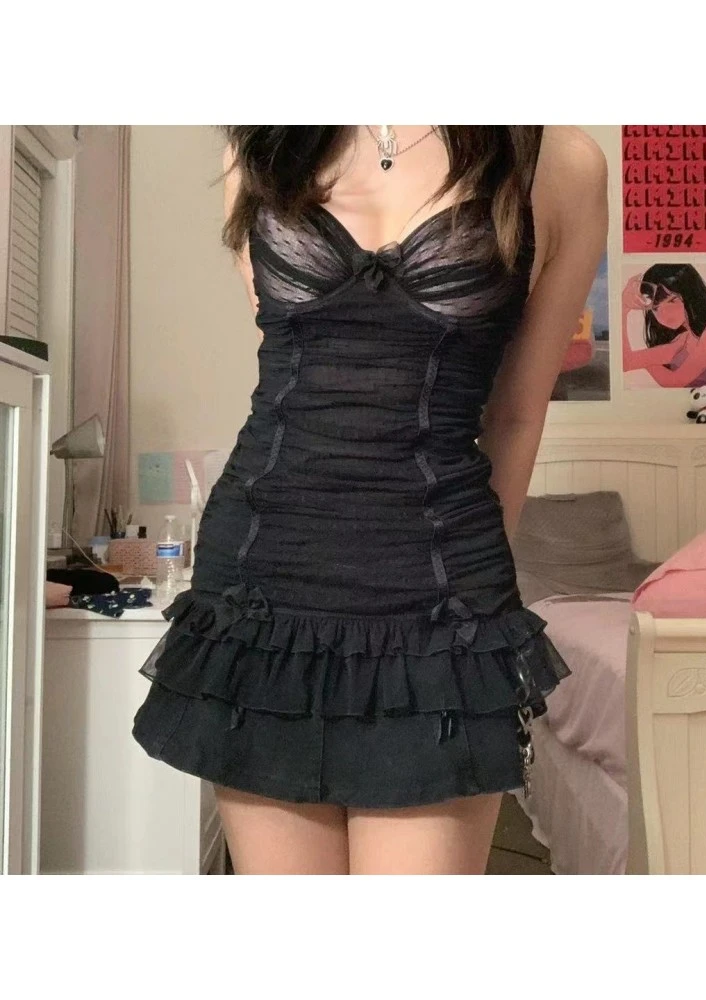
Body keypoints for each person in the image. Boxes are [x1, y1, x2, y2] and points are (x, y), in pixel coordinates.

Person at [132, 125, 608, 875]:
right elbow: (295, 372)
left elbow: (517, 415)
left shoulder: (560, 161)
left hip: (441, 593)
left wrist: (469, 595)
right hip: (262, 579)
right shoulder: (261, 144)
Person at [622, 263, 706, 388]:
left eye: (672, 300)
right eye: (655, 307)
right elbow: (626, 362)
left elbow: (675, 381)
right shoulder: (683, 340)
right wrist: (623, 309)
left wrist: (646, 362)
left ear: (691, 294)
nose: (663, 313)